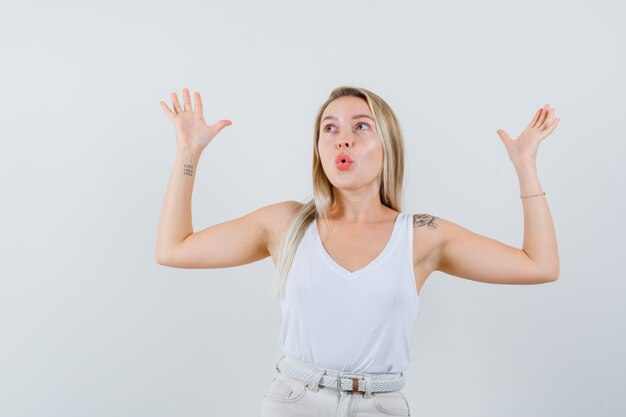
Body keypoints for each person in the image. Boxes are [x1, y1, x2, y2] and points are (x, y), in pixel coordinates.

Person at [156, 86, 561, 416]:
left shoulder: (421, 235)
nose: (342, 137)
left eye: (361, 126)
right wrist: (188, 155)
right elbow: (174, 249)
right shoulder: (285, 224)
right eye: (329, 129)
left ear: (388, 146)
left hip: (379, 405)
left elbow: (539, 265)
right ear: (319, 150)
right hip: (294, 402)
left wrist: (525, 165)